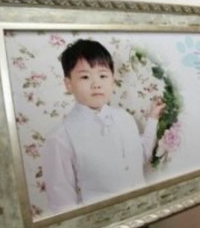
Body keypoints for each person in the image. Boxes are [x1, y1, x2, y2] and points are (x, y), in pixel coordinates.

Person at [42, 39, 166, 214]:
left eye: (103, 75)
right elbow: (62, 205)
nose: (96, 84)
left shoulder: (125, 118)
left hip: (143, 215)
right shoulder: (60, 138)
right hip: (103, 226)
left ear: (112, 79)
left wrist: (153, 119)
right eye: (85, 77)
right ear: (69, 84)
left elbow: (142, 157)